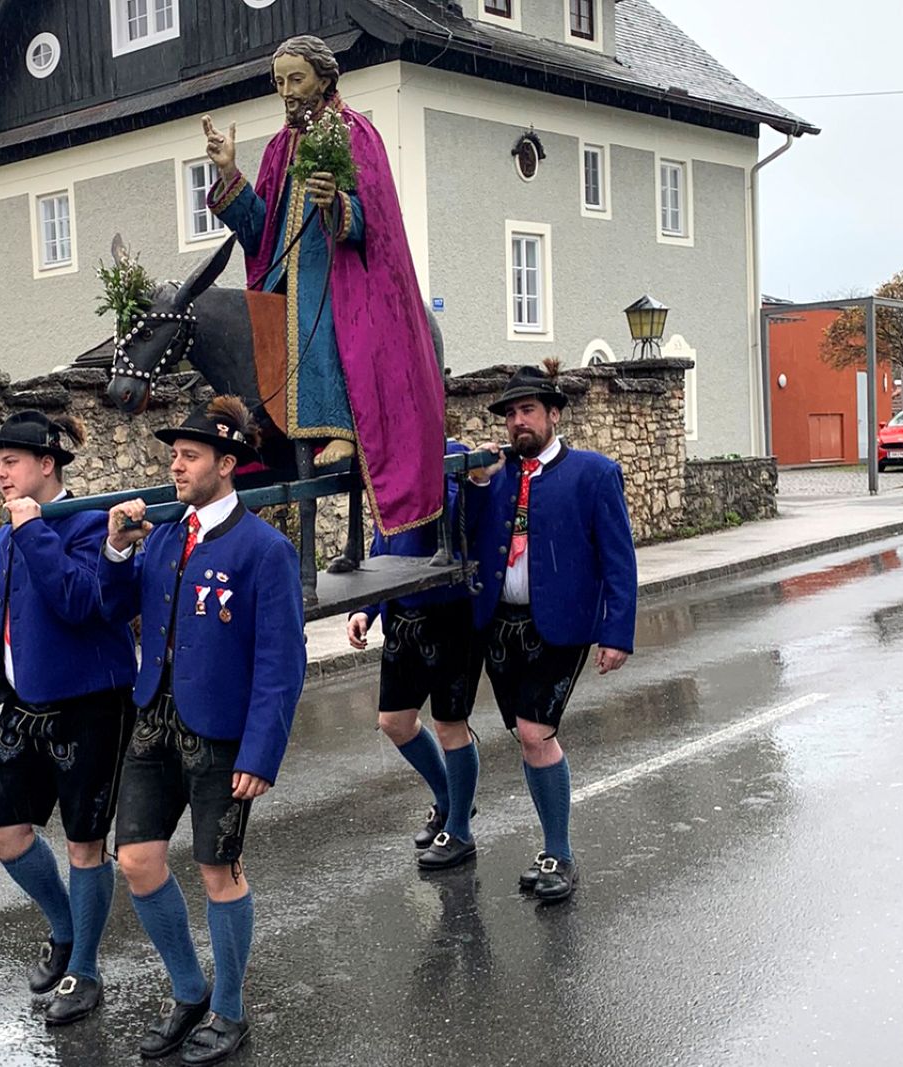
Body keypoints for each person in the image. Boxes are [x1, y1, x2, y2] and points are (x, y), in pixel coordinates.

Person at [100, 395, 306, 1066]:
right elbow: (113, 605)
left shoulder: (264, 548)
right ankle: (189, 990)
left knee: (219, 869)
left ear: (227, 463)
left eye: (188, 456)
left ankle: (231, 1008)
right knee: (136, 860)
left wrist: (262, 751)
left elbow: (282, 660)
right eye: (173, 454)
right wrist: (115, 549)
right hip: (152, 721)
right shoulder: (161, 535)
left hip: (222, 735)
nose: (175, 465)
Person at [202, 34, 444, 537]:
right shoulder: (277, 148)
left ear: (325, 79)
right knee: (255, 328)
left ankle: (341, 431)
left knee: (327, 315)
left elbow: (372, 221)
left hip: (341, 271)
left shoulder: (355, 133)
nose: (287, 91)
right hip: (281, 273)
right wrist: (229, 172)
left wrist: (336, 203)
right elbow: (259, 230)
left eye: (297, 79)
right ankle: (264, 429)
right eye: (279, 82)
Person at [0, 410, 137, 1025]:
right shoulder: (9, 533)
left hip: (92, 704)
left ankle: (83, 972)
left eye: (11, 462)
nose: (1, 473)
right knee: (1, 832)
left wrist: (35, 532)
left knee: (86, 844)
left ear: (47, 465)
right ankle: (65, 930)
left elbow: (83, 603)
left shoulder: (89, 525)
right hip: (23, 704)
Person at [464, 362, 638, 903]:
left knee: (538, 735)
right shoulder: (495, 475)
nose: (519, 421)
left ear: (553, 415)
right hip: (500, 624)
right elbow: (469, 536)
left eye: (528, 411)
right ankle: (551, 848)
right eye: (511, 413)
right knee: (525, 735)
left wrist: (617, 631)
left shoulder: (593, 473)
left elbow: (619, 559)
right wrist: (475, 485)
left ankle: (559, 853)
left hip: (560, 627)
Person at [346, 439, 486, 870]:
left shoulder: (449, 455)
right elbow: (380, 542)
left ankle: (460, 831)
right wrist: (365, 608)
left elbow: (461, 521)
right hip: (402, 618)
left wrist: (438, 473)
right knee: (395, 723)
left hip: (451, 614)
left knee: (450, 727)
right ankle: (449, 801)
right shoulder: (386, 462)